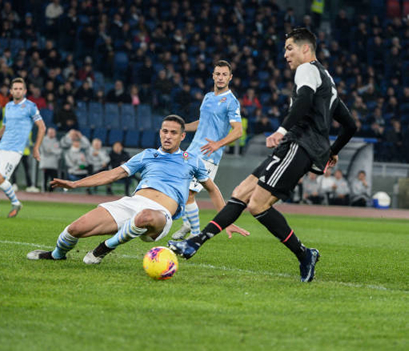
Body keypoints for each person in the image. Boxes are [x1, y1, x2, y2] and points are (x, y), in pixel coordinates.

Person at [168, 28, 357, 283]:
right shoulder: (327, 79)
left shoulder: (307, 69)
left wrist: (281, 130)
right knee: (241, 192)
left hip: (298, 144)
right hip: (298, 146)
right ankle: (195, 243)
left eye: (289, 47)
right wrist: (332, 152)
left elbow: (303, 100)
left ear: (305, 48)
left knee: (257, 204)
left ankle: (304, 254)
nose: (285, 54)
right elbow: (350, 125)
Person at [26, 115, 248, 263]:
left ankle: (103, 249)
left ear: (182, 136)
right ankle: (56, 255)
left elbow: (212, 189)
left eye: (173, 132)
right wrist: (75, 183)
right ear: (160, 132)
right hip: (131, 203)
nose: (168, 136)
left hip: (160, 215)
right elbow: (113, 174)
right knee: (75, 228)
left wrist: (225, 221)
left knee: (144, 217)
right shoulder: (147, 155)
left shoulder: (193, 160)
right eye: (164, 131)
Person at [171, 60, 243, 241]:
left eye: (224, 74)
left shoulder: (231, 102)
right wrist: (182, 128)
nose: (220, 77)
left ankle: (194, 234)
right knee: (181, 190)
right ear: (213, 75)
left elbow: (238, 130)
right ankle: (188, 224)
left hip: (209, 154)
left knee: (189, 193)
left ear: (230, 77)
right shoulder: (208, 97)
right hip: (193, 150)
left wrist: (218, 144)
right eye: (217, 74)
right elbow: (202, 123)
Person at [0, 78, 46, 218]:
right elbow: (4, 128)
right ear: (11, 91)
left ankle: (16, 202)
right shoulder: (8, 106)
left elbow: (42, 127)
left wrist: (36, 148)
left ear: (25, 91)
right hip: (1, 146)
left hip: (15, 150)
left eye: (20, 89)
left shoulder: (30, 106)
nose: (17, 91)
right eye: (15, 88)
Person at [40, 127, 62, 192]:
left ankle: (50, 192)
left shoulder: (56, 141)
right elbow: (46, 151)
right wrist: (54, 151)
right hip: (45, 163)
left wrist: (52, 150)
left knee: (54, 179)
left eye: (53, 133)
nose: (52, 134)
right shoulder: (43, 140)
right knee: (45, 178)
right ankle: (44, 191)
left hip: (54, 164)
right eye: (50, 133)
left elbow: (59, 152)